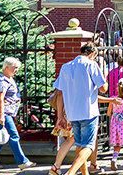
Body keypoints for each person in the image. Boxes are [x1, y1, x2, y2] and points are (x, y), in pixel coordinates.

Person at [50, 41, 108, 175]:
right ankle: (71, 172)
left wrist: (60, 116)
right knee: (89, 145)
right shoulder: (91, 64)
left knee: (80, 144)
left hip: (71, 112)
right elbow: (103, 88)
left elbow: (59, 93)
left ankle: (84, 173)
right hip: (89, 111)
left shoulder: (65, 66)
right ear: (93, 54)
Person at [0, 56, 34, 171]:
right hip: (4, 113)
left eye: (17, 68)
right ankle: (23, 162)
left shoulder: (9, 79)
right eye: (14, 67)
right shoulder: (3, 81)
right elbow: (0, 98)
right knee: (14, 136)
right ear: (6, 67)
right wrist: (1, 116)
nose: (16, 70)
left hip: (8, 113)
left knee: (1, 137)